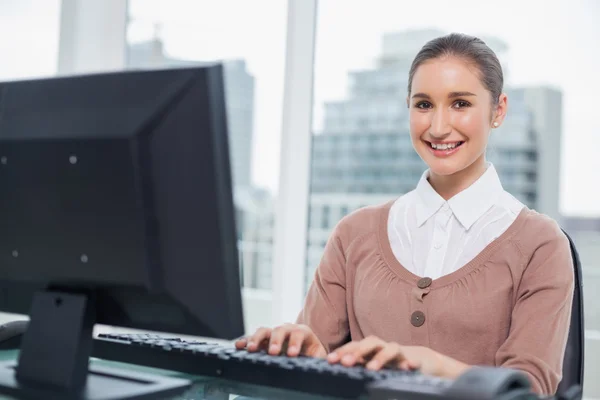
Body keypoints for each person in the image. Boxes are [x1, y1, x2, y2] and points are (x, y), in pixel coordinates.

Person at [235, 33, 574, 396]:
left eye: (460, 103)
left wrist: (430, 366)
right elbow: (316, 358)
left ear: (498, 110)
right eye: (424, 104)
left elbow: (529, 391)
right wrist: (305, 355)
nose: (439, 127)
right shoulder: (354, 234)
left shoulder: (541, 245)